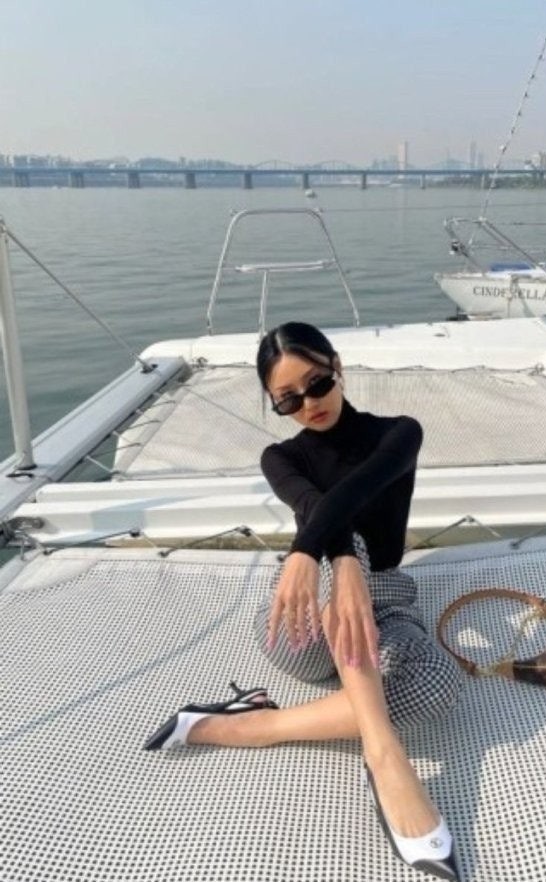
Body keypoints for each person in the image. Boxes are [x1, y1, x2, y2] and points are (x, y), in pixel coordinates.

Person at [144, 321, 463, 881]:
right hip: (305, 621)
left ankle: (259, 726)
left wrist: (314, 552)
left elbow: (355, 491)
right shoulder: (279, 457)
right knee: (347, 549)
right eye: (287, 399)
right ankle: (384, 753)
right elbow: (316, 507)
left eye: (316, 384)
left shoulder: (399, 433)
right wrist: (332, 560)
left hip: (383, 603)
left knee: (437, 685)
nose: (308, 404)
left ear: (337, 367)